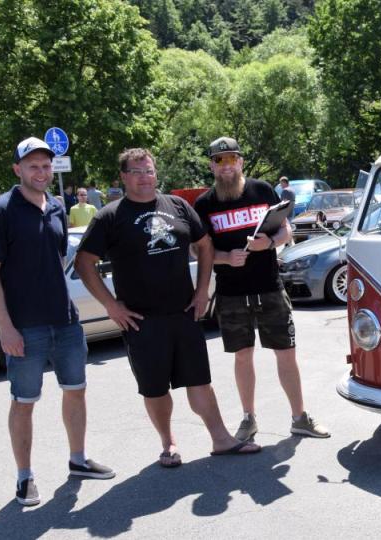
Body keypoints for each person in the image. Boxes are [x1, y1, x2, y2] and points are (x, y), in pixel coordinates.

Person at [75, 148, 260, 468]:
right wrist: (112, 306)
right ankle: (168, 444)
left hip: (184, 313)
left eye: (149, 170)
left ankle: (221, 439)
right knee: (155, 388)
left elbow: (204, 245)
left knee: (200, 380)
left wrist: (202, 290)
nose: (144, 177)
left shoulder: (177, 206)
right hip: (141, 321)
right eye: (136, 172)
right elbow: (84, 263)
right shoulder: (110, 216)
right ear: (123, 176)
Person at [0, 137, 114, 507]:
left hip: (65, 322)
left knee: (76, 389)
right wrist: (5, 326)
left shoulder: (55, 206)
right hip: (25, 327)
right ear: (17, 169)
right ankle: (24, 478)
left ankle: (78, 459)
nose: (41, 172)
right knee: (24, 401)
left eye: (46, 166)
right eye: (33, 166)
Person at [194, 137, 330, 441]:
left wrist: (268, 242)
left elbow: (286, 230)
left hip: (269, 287)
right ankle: (248, 419)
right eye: (220, 161)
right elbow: (198, 251)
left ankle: (299, 417)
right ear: (212, 166)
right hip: (230, 293)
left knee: (286, 354)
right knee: (242, 356)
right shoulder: (204, 204)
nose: (227, 166)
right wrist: (226, 257)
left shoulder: (262, 190)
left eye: (232, 159)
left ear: (241, 161)